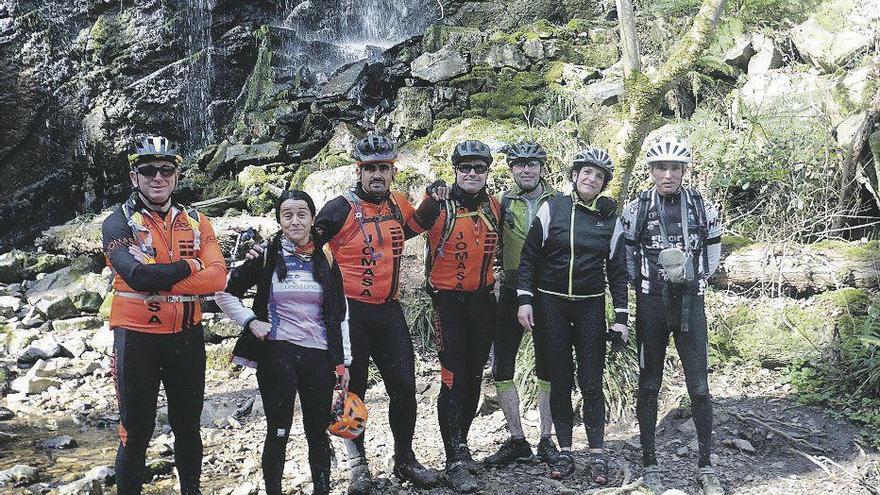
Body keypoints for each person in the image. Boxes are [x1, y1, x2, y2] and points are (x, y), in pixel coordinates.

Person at [247, 135, 439, 493]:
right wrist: (267, 247)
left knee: (404, 389)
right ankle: (358, 466)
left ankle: (405, 459)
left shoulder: (398, 203)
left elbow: (413, 228)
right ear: (359, 171)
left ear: (392, 171)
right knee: (355, 393)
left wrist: (433, 199)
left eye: (384, 168)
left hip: (389, 309)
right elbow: (302, 234)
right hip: (350, 313)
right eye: (370, 169)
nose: (377, 175)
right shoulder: (340, 207)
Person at [101, 136, 227, 495]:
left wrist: (160, 275)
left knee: (187, 426)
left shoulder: (197, 220)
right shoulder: (117, 223)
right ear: (133, 177)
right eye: (148, 170)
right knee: (135, 431)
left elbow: (218, 277)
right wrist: (191, 265)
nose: (158, 177)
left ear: (177, 175)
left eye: (166, 170)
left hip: (187, 337)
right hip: (136, 338)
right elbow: (137, 276)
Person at [215, 190, 351, 495]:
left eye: (302, 214)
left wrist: (345, 363)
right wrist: (250, 322)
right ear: (279, 220)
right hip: (278, 354)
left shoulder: (326, 258)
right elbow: (222, 291)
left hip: (318, 356)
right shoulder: (267, 255)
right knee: (278, 430)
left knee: (318, 432)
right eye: (287, 214)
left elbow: (340, 312)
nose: (295, 221)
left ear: (313, 219)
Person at [517, 147, 629, 483]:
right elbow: (529, 257)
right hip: (551, 303)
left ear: (604, 182)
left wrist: (621, 316)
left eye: (598, 175)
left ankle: (596, 452)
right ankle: (565, 451)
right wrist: (525, 299)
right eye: (586, 172)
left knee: (592, 381)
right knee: (561, 378)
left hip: (590, 305)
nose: (590, 178)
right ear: (575, 175)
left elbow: (618, 271)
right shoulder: (554, 207)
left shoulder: (610, 218)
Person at [620, 136, 723, 495]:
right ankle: (649, 463)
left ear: (684, 171)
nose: (668, 175)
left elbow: (713, 250)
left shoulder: (701, 205)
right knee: (649, 384)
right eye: (660, 168)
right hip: (651, 304)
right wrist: (639, 286)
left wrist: (698, 281)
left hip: (690, 303)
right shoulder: (636, 208)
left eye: (675, 168)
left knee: (699, 386)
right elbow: (627, 253)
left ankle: (706, 465)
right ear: (650, 171)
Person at [411, 140, 502, 493]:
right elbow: (400, 232)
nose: (472, 174)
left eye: (479, 168)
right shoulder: (438, 205)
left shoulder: (495, 206)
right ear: (455, 170)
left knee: (475, 377)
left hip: (482, 302)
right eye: (465, 168)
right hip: (447, 303)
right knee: (453, 377)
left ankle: (460, 449)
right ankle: (453, 459)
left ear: (487, 172)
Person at [484, 142, 560, 467]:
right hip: (512, 288)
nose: (526, 169)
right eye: (519, 164)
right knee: (502, 365)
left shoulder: (558, 202)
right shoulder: (503, 203)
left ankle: (547, 439)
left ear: (542, 167)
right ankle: (517, 439)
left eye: (532, 164)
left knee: (548, 366)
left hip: (547, 293)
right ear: (511, 169)